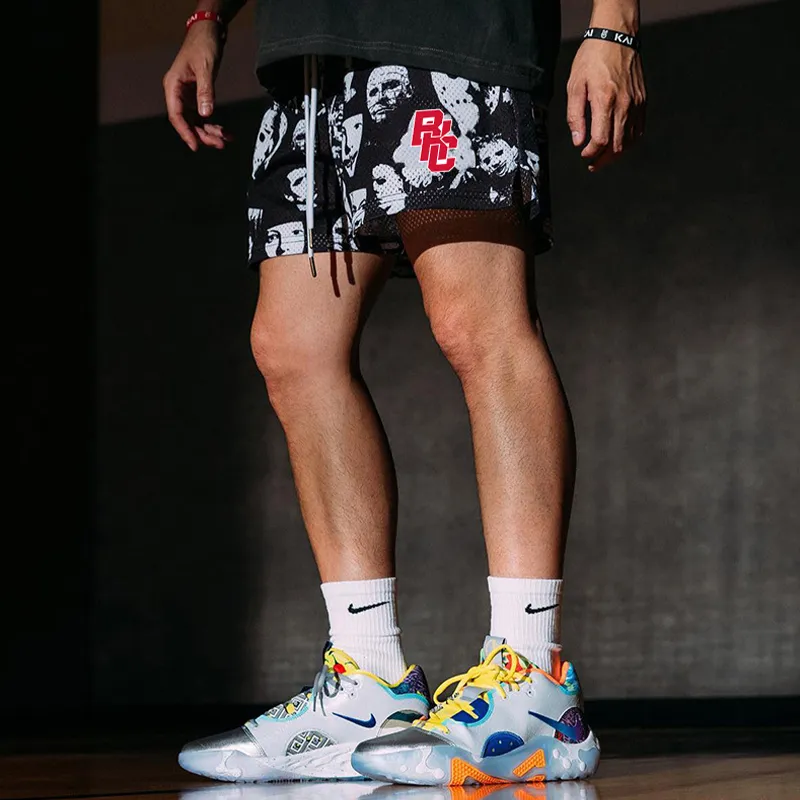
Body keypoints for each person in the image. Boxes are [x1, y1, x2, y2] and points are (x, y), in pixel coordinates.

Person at [164, 0, 645, 786]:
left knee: (477, 325)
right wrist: (208, 15)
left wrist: (613, 24)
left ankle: (534, 680)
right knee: (293, 349)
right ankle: (367, 682)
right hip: (310, 61)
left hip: (449, 33)